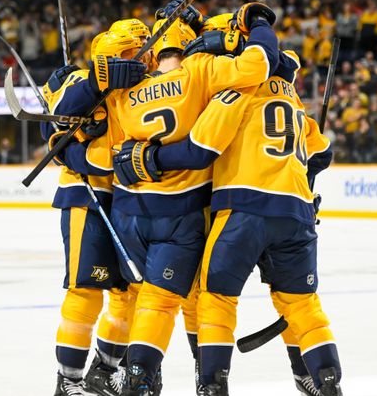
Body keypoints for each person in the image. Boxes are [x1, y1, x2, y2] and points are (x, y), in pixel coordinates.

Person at [64, 2, 279, 395]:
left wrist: (69, 150)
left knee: (141, 297)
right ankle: (165, 378)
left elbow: (102, 154)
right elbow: (258, 69)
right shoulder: (201, 73)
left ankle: (135, 373)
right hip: (186, 211)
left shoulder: (123, 88)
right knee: (185, 299)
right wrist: (258, 23)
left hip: (128, 213)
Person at [116, 48, 342, 395]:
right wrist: (306, 184)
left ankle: (212, 385)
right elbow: (323, 153)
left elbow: (199, 149)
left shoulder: (236, 92)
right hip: (297, 214)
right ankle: (328, 383)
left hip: (243, 206)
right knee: (302, 304)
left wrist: (150, 157)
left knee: (216, 298)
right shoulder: (294, 103)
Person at [43, 20, 150, 396]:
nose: (143, 58)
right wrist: (94, 83)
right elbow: (53, 130)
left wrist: (85, 156)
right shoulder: (83, 83)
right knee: (85, 289)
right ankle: (67, 380)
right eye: (132, 51)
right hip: (85, 199)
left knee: (130, 291)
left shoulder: (144, 89)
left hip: (127, 200)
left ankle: (105, 370)